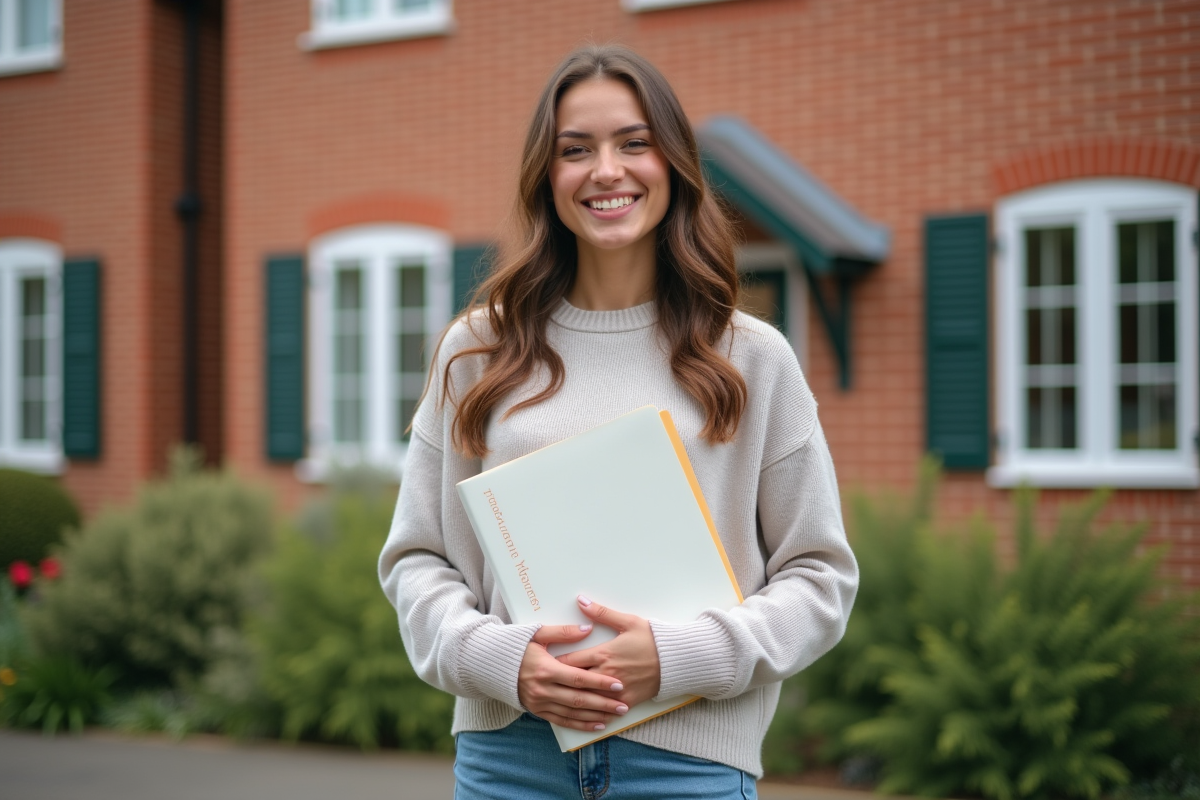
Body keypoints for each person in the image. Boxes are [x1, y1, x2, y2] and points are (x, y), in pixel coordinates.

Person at [379, 44, 858, 800]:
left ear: (674, 164)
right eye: (577, 150)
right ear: (548, 175)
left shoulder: (751, 358)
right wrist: (503, 663)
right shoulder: (477, 349)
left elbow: (820, 578)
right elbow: (417, 561)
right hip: (512, 762)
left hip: (689, 766)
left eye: (634, 143)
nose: (607, 171)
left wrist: (678, 656)